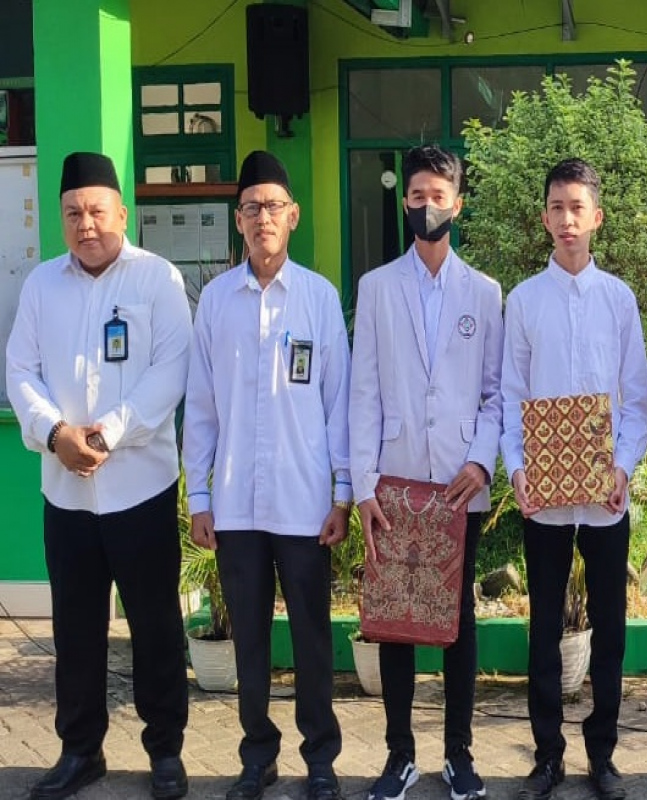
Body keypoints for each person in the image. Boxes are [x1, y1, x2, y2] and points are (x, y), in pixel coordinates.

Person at [6, 152, 192, 800]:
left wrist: (107, 433)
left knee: (156, 627)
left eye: (96, 211)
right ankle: (80, 750)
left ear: (122, 214)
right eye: (73, 213)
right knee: (76, 630)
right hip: (66, 495)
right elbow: (19, 371)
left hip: (141, 488)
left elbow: (170, 371)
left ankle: (165, 751)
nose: (86, 224)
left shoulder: (157, 279)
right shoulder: (42, 286)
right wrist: (56, 433)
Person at [183, 151, 350, 800]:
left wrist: (342, 493)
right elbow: (200, 406)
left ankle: (321, 758)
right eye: (251, 208)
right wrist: (199, 496)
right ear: (238, 220)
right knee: (248, 639)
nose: (263, 218)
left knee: (312, 637)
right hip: (235, 505)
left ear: (294, 216)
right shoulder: (216, 302)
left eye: (273, 206)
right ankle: (257, 755)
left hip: (304, 503)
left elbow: (338, 403)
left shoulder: (318, 298)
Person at [349, 144, 502, 800]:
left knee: (457, 618)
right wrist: (362, 485)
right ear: (404, 202)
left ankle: (459, 754)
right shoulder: (377, 288)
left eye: (439, 196)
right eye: (417, 196)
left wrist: (482, 459)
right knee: (396, 620)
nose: (427, 206)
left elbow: (495, 393)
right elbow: (363, 392)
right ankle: (399, 755)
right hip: (396, 479)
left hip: (458, 485)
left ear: (457, 204)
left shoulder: (485, 293)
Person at [501, 157, 647, 800]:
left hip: (604, 496)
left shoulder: (618, 299)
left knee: (610, 630)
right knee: (543, 628)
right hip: (544, 495)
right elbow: (511, 395)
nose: (568, 220)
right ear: (545, 218)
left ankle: (603, 753)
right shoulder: (523, 301)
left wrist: (623, 466)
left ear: (597, 217)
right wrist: (516, 467)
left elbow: (638, 399)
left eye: (578, 208)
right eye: (557, 208)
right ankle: (546, 755)